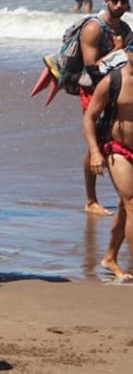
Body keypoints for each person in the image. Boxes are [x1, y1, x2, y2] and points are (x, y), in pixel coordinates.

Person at [79, 0, 131, 215]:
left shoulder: (126, 28)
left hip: (118, 87)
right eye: (114, 1)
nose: (119, 5)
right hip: (92, 89)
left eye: (123, 1)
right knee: (97, 141)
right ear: (106, 1)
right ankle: (90, 200)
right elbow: (91, 70)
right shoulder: (94, 28)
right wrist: (116, 50)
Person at [83, 36, 133, 280]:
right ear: (127, 51)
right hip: (118, 150)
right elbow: (89, 116)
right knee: (132, 203)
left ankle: (110, 257)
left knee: (125, 208)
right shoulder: (113, 81)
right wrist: (94, 151)